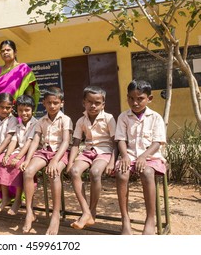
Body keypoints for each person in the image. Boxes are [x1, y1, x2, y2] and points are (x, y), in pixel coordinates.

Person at [116, 80, 167, 235]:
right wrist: (124, 155)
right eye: (131, 98)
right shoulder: (123, 117)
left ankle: (150, 219)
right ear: (127, 98)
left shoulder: (155, 117)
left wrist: (144, 156)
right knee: (121, 174)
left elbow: (157, 142)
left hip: (151, 156)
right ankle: (125, 219)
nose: (135, 102)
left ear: (149, 98)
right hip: (129, 155)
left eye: (140, 99)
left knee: (147, 173)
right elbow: (121, 140)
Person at [21, 86, 72, 235]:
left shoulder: (65, 119)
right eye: (49, 103)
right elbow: (36, 141)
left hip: (60, 153)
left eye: (55, 103)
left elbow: (66, 142)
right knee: (28, 172)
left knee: (54, 174)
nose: (52, 106)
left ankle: (55, 215)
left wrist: (55, 160)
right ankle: (29, 212)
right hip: (45, 152)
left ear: (61, 103)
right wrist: (28, 159)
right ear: (44, 103)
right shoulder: (41, 120)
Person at [66, 86, 117, 230]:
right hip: (88, 152)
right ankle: (86, 211)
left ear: (103, 104)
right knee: (75, 171)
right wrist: (70, 163)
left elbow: (115, 143)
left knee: (95, 173)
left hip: (105, 152)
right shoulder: (81, 120)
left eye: (97, 103)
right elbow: (76, 143)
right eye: (90, 102)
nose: (93, 105)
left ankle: (92, 211)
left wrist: (112, 162)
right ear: (84, 102)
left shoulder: (109, 118)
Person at [0, 95, 38, 215]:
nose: (23, 113)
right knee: (4, 164)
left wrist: (18, 157)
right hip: (19, 151)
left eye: (27, 110)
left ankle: (18, 198)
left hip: (31, 153)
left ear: (32, 110)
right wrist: (7, 155)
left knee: (18, 166)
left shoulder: (35, 123)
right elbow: (14, 141)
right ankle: (6, 197)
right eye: (20, 110)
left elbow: (30, 142)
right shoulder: (18, 124)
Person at [0, 40, 40, 109]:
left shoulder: (23, 69)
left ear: (15, 52)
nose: (5, 52)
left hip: (17, 111)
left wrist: (27, 109)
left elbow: (29, 90)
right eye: (3, 51)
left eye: (8, 50)